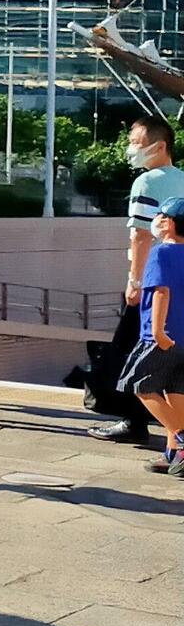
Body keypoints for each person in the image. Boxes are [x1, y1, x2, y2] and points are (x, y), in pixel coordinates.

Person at [91, 115, 184, 443]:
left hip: (155, 279)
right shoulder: (182, 179)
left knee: (138, 351)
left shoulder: (145, 183)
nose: (131, 149)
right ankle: (171, 436)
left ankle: (140, 424)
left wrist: (134, 280)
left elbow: (141, 237)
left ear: (159, 147)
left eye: (136, 143)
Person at [123, 202, 184, 471]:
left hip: (160, 336)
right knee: (175, 391)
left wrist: (157, 332)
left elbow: (161, 291)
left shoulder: (161, 254)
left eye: (160, 215)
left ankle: (182, 439)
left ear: (169, 223)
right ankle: (174, 455)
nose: (156, 220)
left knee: (139, 384)